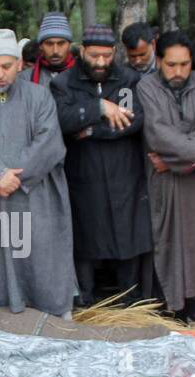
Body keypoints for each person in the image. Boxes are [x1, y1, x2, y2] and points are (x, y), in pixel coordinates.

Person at [0, 28, 74, 316]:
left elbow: (48, 140)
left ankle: (54, 313)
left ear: (19, 64)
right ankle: (0, 316)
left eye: (6, 66)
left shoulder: (40, 97)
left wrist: (16, 177)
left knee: (42, 251)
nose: (0, 74)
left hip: (36, 195)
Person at [51, 23, 151, 307]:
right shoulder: (63, 83)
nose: (100, 62)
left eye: (107, 56)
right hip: (83, 175)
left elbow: (134, 121)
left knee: (127, 234)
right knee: (85, 238)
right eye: (94, 55)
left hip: (125, 174)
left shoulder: (129, 80)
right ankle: (85, 298)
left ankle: (130, 299)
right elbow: (62, 120)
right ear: (82, 51)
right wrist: (99, 108)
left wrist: (92, 131)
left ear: (114, 53)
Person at [136, 30, 195, 320]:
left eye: (184, 64)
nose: (178, 71)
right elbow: (158, 133)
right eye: (171, 64)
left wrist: (176, 162)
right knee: (167, 242)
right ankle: (171, 315)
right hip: (163, 181)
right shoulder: (146, 86)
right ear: (159, 60)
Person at [28, 12, 75, 85]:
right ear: (41, 46)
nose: (55, 51)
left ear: (69, 45)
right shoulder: (24, 79)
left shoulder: (84, 76)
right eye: (49, 44)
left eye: (61, 43)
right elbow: (3, 95)